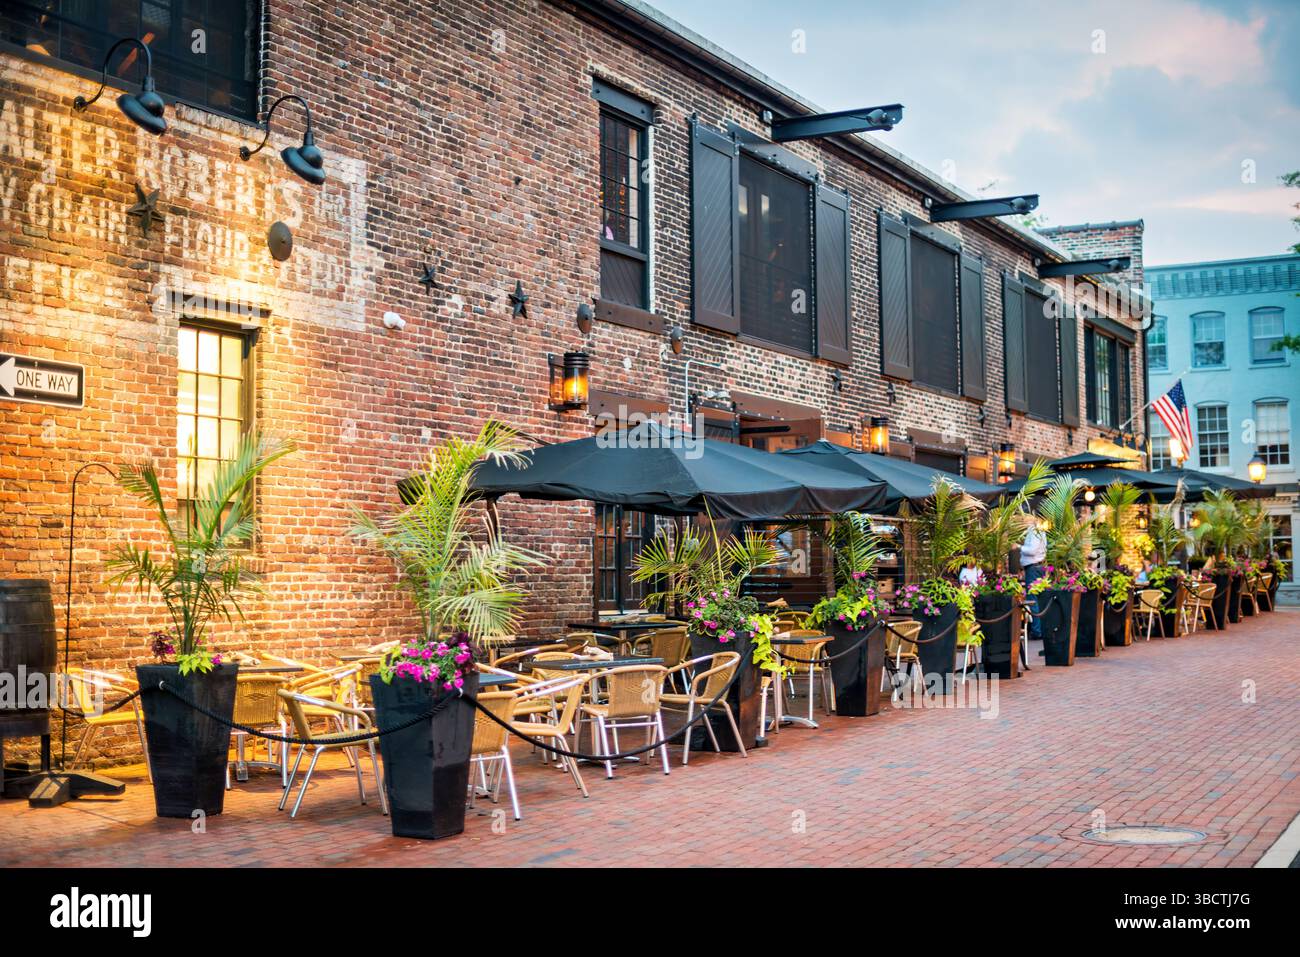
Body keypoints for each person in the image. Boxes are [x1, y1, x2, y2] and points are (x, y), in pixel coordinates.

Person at [1021, 520, 1048, 644]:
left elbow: (1031, 550)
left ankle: (1037, 631)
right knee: (1037, 598)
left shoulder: (1035, 531)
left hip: (1033, 567)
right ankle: (1040, 629)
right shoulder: (1039, 531)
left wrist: (1019, 547)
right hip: (1037, 567)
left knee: (1033, 599)